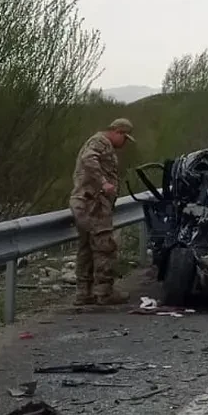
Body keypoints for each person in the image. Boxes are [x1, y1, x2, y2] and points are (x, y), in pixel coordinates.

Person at [69, 118, 135, 305]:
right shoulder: (100, 142)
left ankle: (84, 292)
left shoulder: (99, 142)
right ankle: (104, 292)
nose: (125, 144)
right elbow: (88, 159)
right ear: (118, 132)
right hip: (94, 203)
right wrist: (104, 182)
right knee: (104, 246)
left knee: (86, 248)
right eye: (125, 138)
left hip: (85, 202)